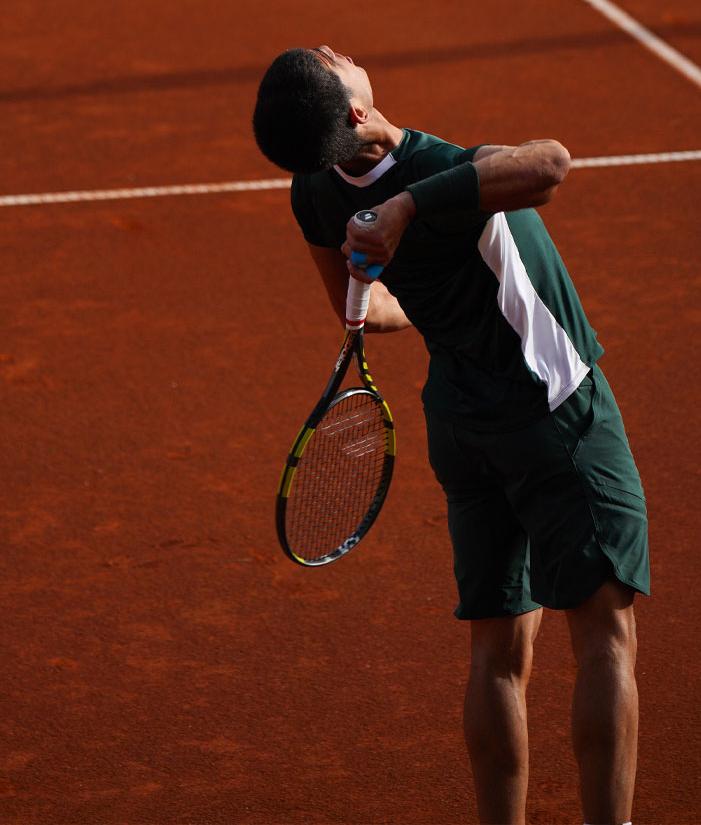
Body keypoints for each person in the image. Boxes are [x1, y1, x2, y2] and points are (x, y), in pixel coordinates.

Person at [252, 45, 649, 825]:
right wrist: (406, 209)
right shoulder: (439, 172)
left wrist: (391, 274)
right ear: (356, 109)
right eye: (333, 61)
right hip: (556, 417)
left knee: (496, 657)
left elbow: (369, 309)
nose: (340, 51)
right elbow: (550, 165)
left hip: (463, 432)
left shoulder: (313, 189)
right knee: (605, 637)